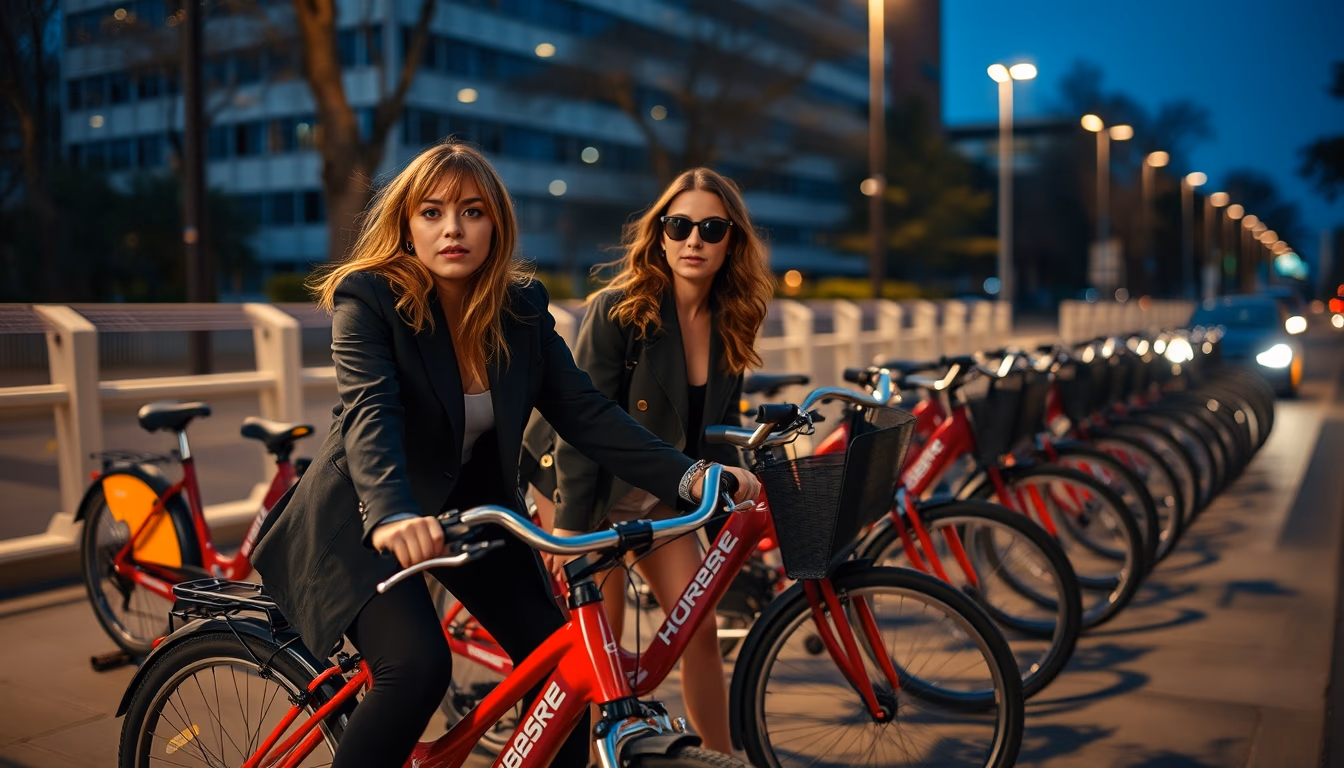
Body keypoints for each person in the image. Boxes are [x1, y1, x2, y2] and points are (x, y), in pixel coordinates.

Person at [248, 142, 760, 768]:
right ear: (407, 225)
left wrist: (693, 475)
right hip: (367, 520)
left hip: (471, 513)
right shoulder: (371, 298)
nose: (453, 228)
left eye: (472, 211)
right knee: (418, 668)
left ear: (497, 223)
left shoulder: (520, 309)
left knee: (562, 670)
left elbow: (589, 413)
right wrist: (391, 513)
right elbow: (369, 413)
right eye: (432, 212)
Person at [532, 167, 773, 755]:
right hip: (585, 488)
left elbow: (711, 433)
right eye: (680, 225)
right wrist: (571, 528)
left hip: (663, 493)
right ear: (661, 235)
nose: (694, 240)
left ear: (731, 242)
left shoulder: (731, 318)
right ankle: (596, 757)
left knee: (699, 630)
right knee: (602, 649)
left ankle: (720, 757)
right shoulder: (619, 309)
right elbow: (579, 426)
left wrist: (733, 499)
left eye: (711, 228)